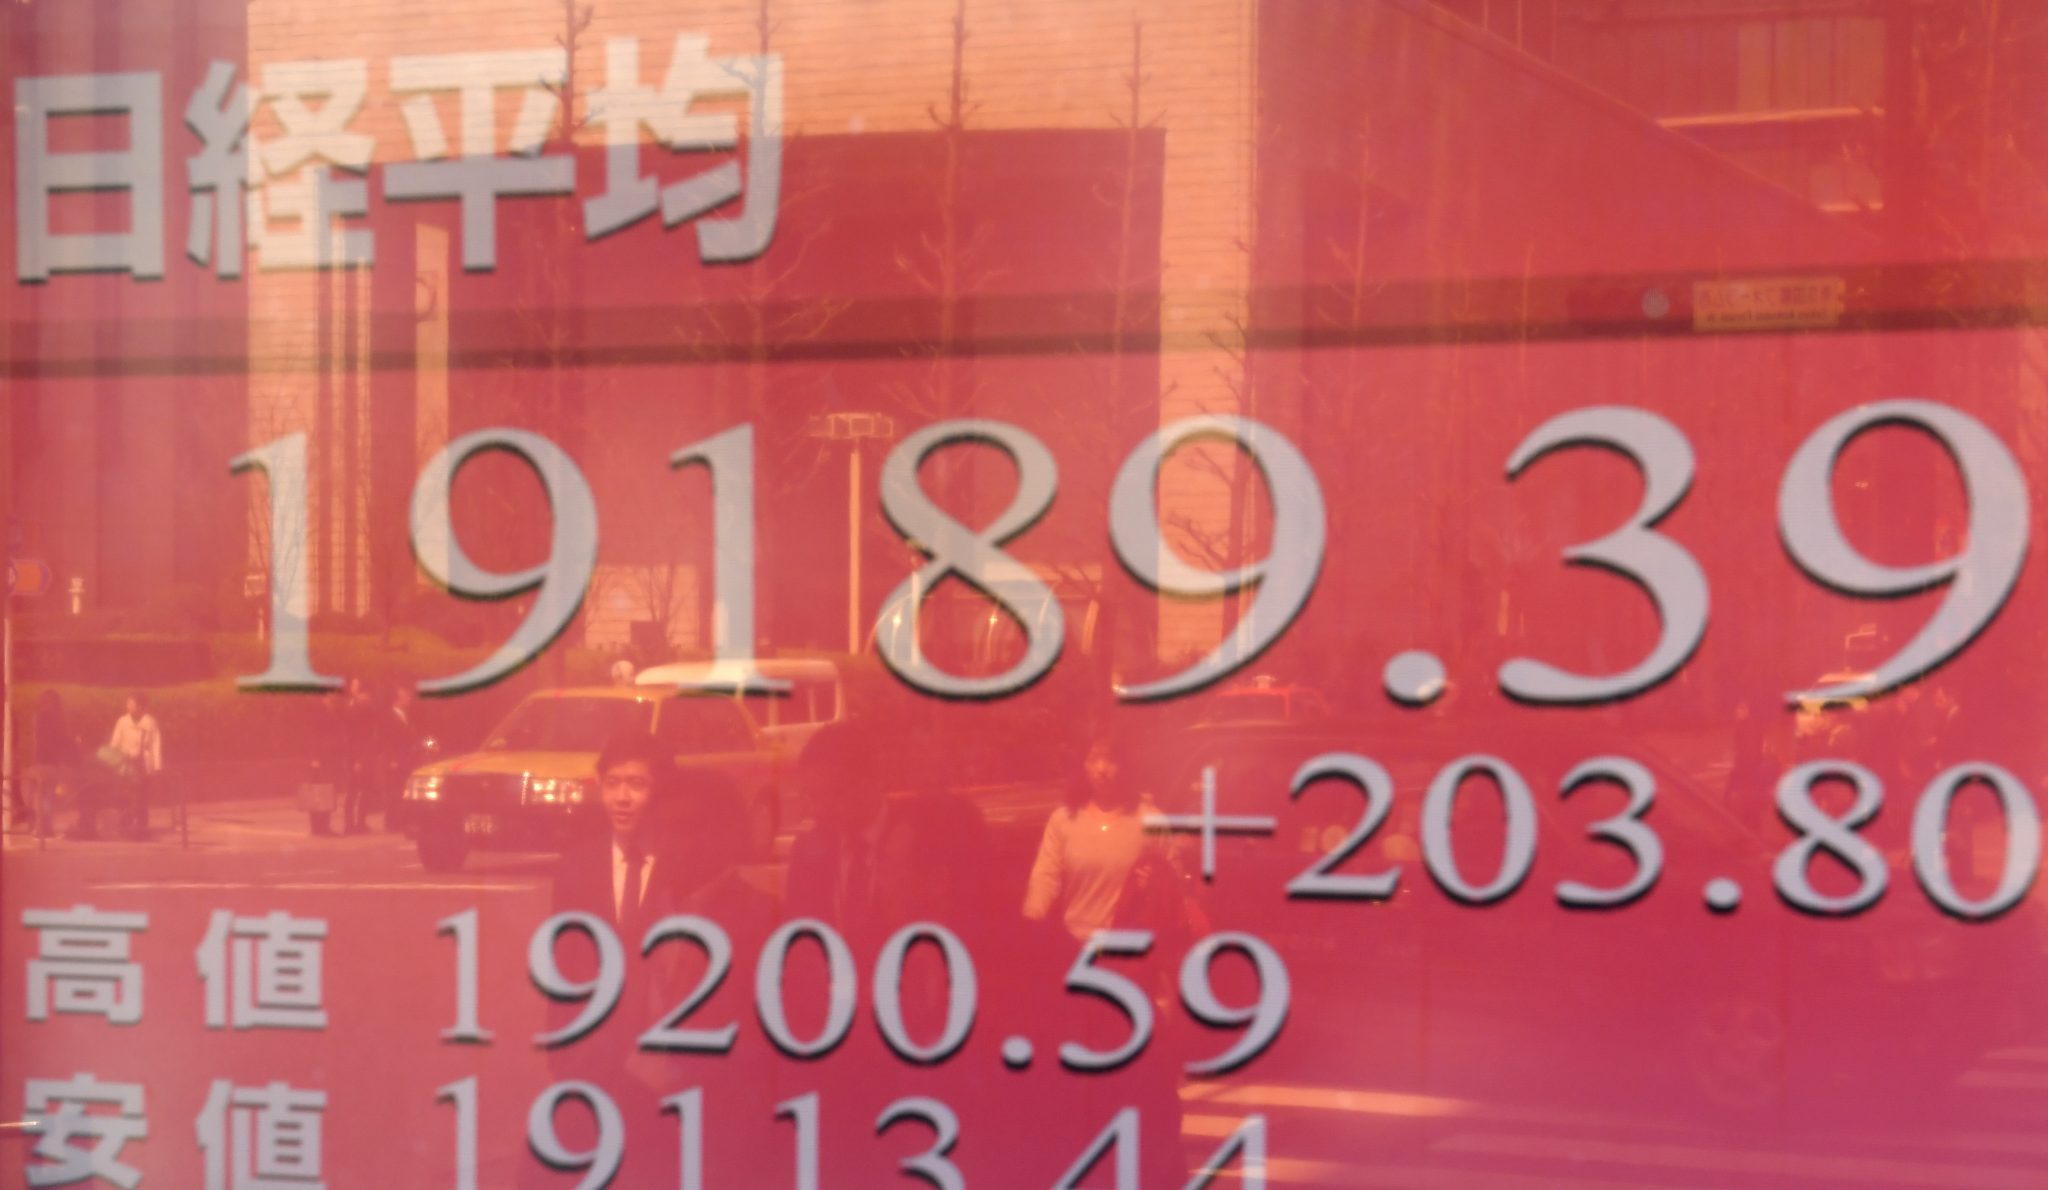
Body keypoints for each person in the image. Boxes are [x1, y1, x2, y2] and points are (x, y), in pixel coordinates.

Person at [105, 692, 162, 840]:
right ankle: (126, 825)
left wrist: (157, 766)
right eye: (127, 703)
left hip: (143, 763)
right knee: (125, 795)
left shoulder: (150, 722)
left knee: (141, 796)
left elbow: (156, 744)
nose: (127, 706)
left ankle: (141, 827)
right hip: (126, 763)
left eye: (131, 703)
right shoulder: (122, 721)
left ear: (140, 707)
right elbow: (115, 742)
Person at [23, 690, 79, 836]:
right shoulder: (57, 719)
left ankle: (41, 826)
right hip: (51, 763)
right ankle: (45, 826)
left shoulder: (38, 717)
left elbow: (35, 740)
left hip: (39, 761)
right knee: (47, 795)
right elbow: (63, 741)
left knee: (40, 795)